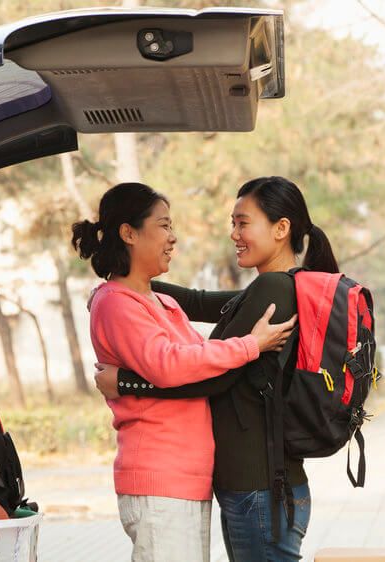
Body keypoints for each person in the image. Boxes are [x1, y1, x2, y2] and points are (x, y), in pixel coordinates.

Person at [94, 176, 338, 561]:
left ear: (281, 228)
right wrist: (127, 280)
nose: (234, 234)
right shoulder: (278, 287)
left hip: (258, 484)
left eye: (243, 223)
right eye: (233, 223)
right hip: (254, 483)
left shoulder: (273, 291)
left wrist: (126, 382)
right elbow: (198, 301)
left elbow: (211, 377)